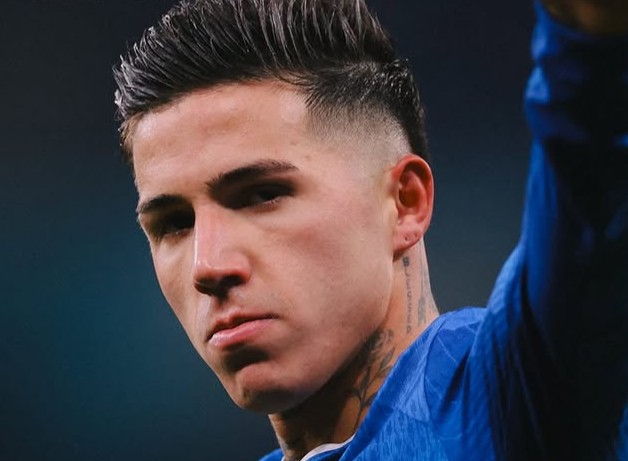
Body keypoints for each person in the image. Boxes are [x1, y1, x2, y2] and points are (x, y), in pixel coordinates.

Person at [113, 0, 628, 459]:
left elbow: (592, 167)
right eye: (174, 223)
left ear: (405, 204)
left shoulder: (510, 399)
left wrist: (590, 36)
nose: (207, 265)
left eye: (262, 194)